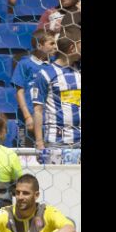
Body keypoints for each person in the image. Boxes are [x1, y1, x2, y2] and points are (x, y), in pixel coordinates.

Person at [33, 26, 81, 164]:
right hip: (58, 142)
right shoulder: (45, 74)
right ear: (72, 48)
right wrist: (39, 143)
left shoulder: (78, 70)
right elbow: (38, 110)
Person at [11, 30, 56, 154]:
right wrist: (27, 117)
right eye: (51, 43)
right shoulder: (25, 64)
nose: (55, 47)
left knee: (48, 155)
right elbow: (19, 92)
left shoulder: (53, 66)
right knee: (27, 156)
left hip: (49, 121)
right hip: (27, 119)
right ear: (39, 45)